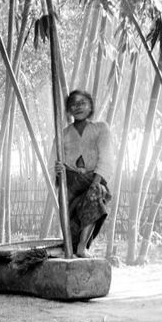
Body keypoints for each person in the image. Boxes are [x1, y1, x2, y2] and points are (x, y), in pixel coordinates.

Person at [50, 89, 114, 257]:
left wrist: (95, 182)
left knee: (95, 197)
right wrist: (59, 169)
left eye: (82, 103)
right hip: (70, 181)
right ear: (69, 110)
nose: (77, 107)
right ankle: (71, 246)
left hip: (94, 177)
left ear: (90, 106)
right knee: (71, 219)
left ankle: (82, 247)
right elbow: (55, 160)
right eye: (73, 104)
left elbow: (106, 157)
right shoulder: (62, 134)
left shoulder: (101, 128)